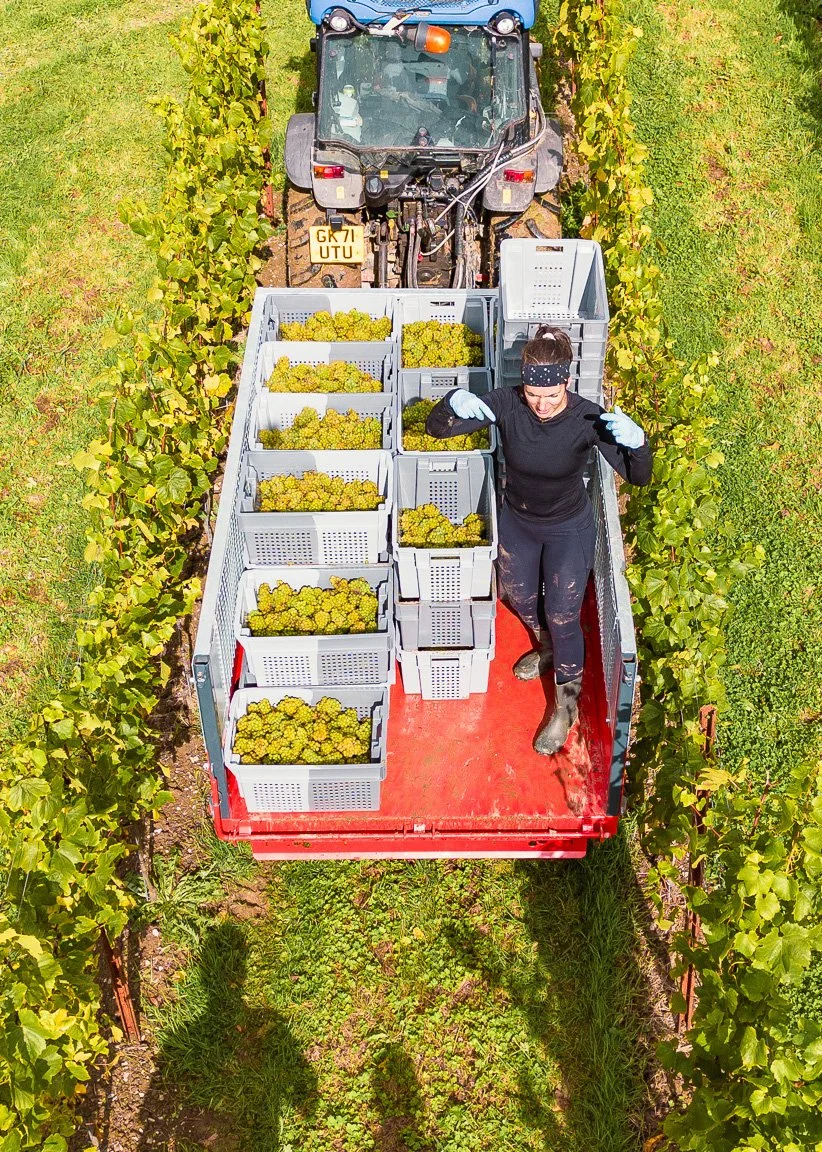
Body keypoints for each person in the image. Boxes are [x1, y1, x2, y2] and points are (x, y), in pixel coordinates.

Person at [424, 326, 653, 755]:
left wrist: (638, 445)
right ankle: (547, 646)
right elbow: (439, 429)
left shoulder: (588, 417)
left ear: (567, 382)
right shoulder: (507, 403)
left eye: (551, 395)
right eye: (533, 394)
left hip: (568, 526)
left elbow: (638, 477)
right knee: (519, 595)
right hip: (520, 521)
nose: (542, 405)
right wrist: (451, 402)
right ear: (523, 384)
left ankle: (566, 706)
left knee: (564, 613)